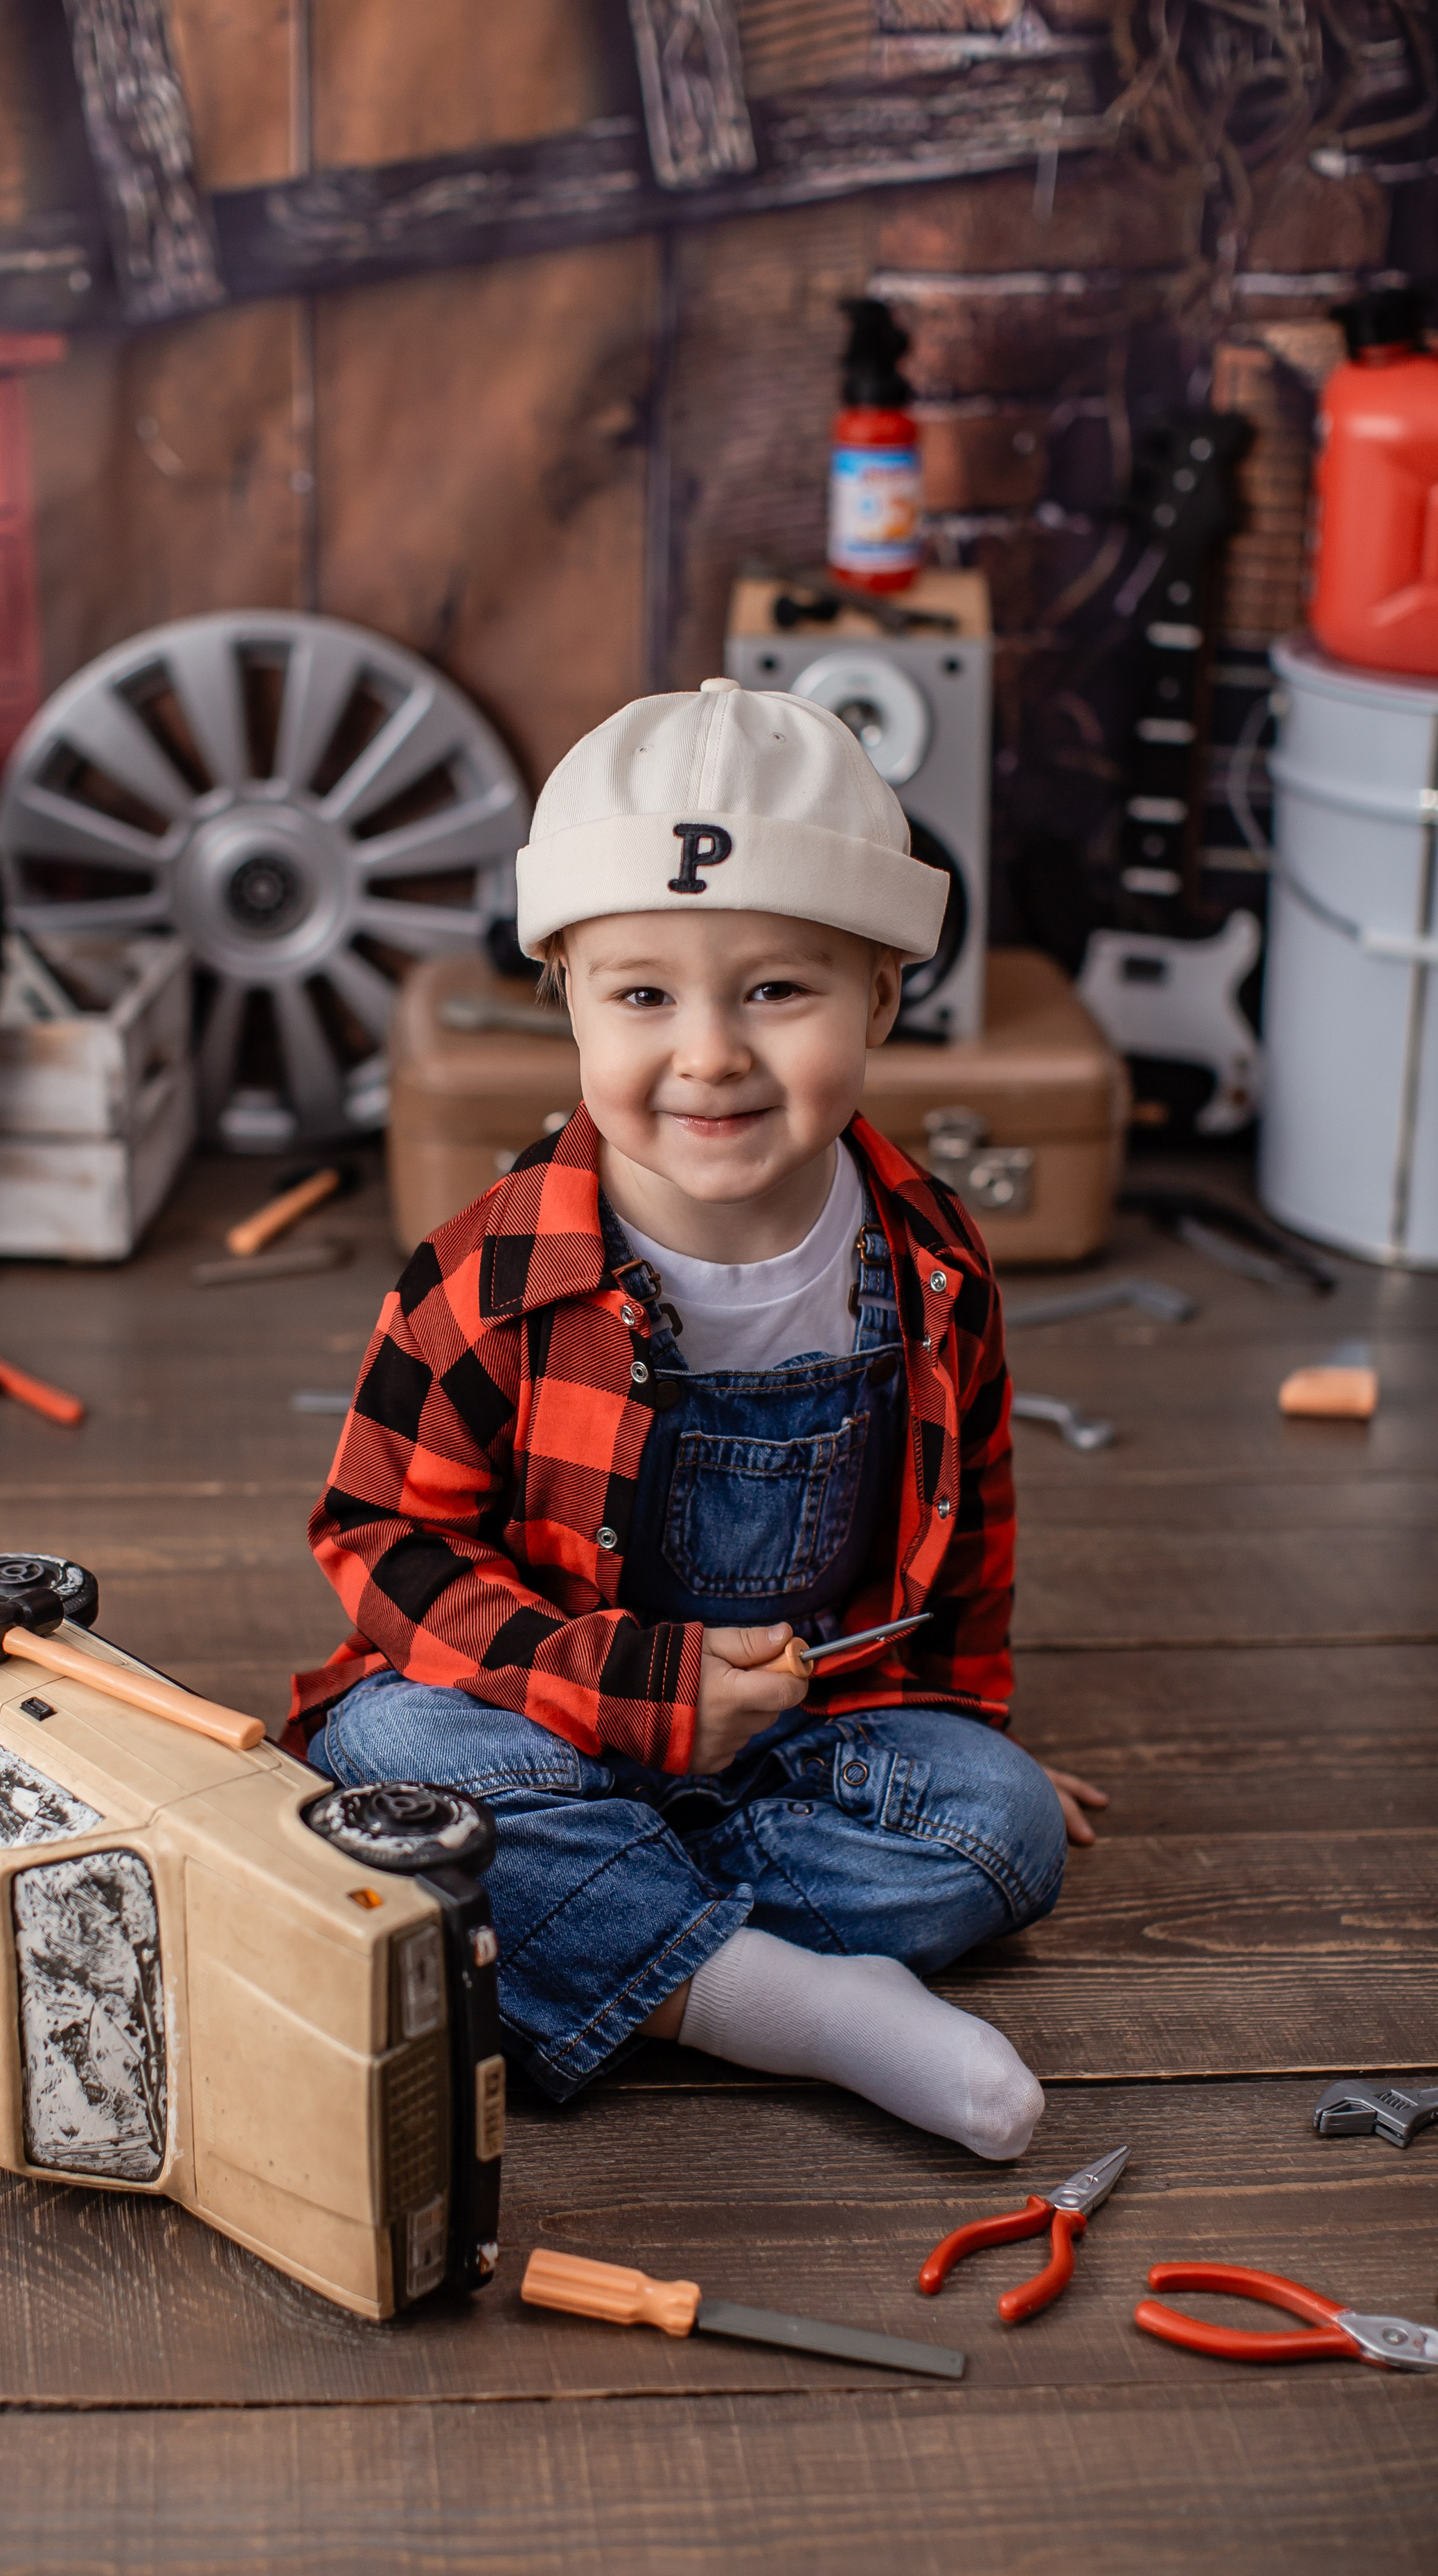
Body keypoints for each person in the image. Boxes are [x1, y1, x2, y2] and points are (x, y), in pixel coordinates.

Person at [287, 675, 1106, 2158]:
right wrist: (624, 1686)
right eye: (642, 994)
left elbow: (964, 1538)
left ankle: (593, 1928)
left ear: (882, 992)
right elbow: (378, 1542)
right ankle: (786, 2005)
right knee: (382, 1763)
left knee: (1003, 1831)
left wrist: (955, 1728)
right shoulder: (489, 1272)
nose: (710, 1052)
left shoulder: (925, 1263)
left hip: (784, 1748)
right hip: (529, 1713)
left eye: (775, 990)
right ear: (567, 997)